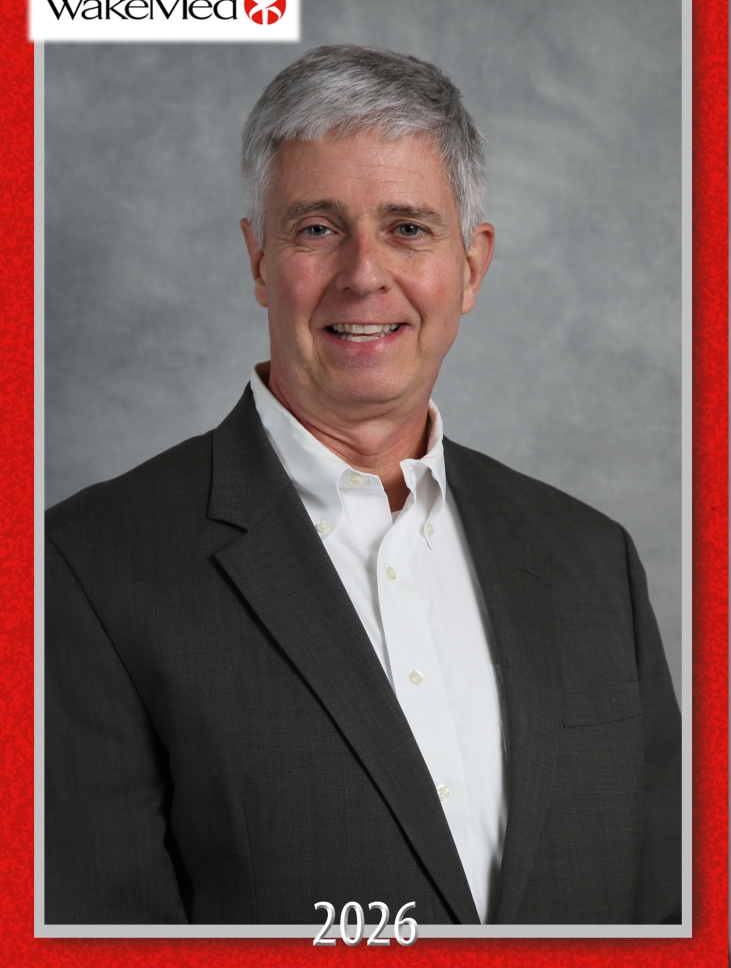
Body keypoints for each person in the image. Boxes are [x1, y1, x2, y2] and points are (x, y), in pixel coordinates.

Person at [45, 45, 681, 926]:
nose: (363, 274)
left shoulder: (593, 560)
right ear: (258, 260)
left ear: (471, 265)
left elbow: (664, 906)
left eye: (407, 228)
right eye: (316, 228)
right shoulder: (85, 569)